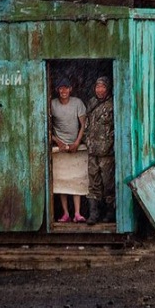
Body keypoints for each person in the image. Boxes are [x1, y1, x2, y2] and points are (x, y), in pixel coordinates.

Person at [50, 77, 87, 223]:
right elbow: (45, 126)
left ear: (70, 89)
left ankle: (77, 213)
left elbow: (83, 125)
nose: (63, 91)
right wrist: (57, 141)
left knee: (76, 180)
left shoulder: (77, 103)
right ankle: (66, 214)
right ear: (57, 90)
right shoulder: (52, 104)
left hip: (75, 147)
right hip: (59, 149)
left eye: (66, 88)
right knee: (62, 181)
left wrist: (77, 142)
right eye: (61, 88)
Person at [85, 76, 116, 225]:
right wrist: (87, 140)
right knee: (93, 183)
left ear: (108, 88)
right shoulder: (91, 103)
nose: (99, 90)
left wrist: (110, 144)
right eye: (97, 87)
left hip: (106, 152)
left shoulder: (112, 105)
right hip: (92, 151)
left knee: (108, 183)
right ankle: (94, 214)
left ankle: (110, 213)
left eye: (102, 87)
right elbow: (87, 124)